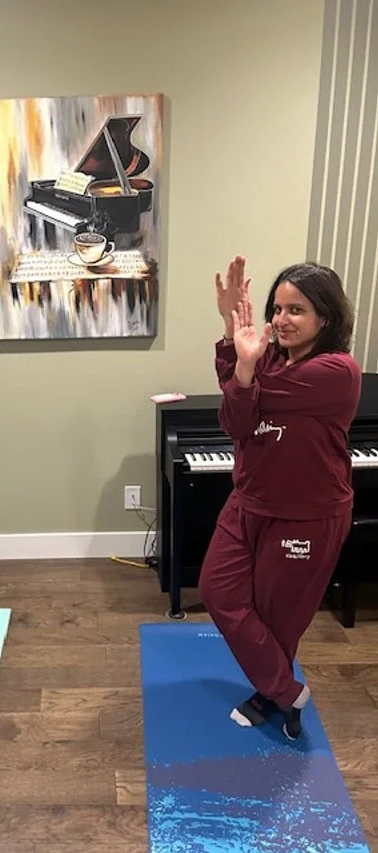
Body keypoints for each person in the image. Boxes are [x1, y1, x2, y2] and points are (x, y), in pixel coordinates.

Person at [199, 255, 360, 740]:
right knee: (216, 591)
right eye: (277, 308)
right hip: (248, 503)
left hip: (305, 518)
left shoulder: (336, 371)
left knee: (277, 619)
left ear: (325, 318)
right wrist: (232, 338)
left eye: (297, 310)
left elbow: (246, 393)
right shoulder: (268, 359)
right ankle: (287, 691)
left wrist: (241, 364)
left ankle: (269, 694)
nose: (280, 320)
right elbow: (235, 422)